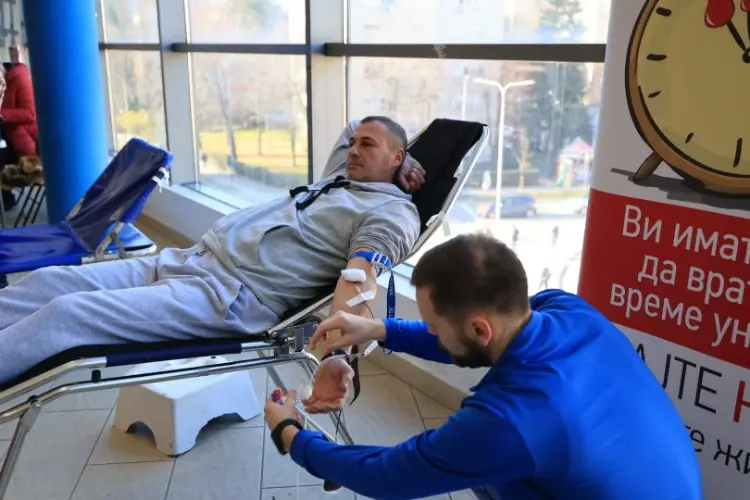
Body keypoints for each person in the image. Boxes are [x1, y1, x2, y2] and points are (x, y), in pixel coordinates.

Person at [0, 116, 426, 395]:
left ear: (394, 156)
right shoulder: (342, 177)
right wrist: (402, 157)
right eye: (353, 144)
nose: (353, 150)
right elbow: (355, 124)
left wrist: (336, 354)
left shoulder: (390, 212)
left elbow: (360, 279)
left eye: (367, 145)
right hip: (191, 259)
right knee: (49, 280)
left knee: (68, 314)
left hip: (229, 296)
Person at [264, 233, 703, 500]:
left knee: (477, 462)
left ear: (479, 328)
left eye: (434, 326)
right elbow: (473, 345)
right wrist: (377, 329)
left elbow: (385, 475)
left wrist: (291, 434)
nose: (430, 332)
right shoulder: (566, 309)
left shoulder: (509, 421)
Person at [0, 49, 38, 211]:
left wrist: (2, 114)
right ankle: (7, 198)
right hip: (9, 134)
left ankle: (7, 197)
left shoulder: (20, 78)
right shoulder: (6, 78)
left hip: (24, 143)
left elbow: (30, 114)